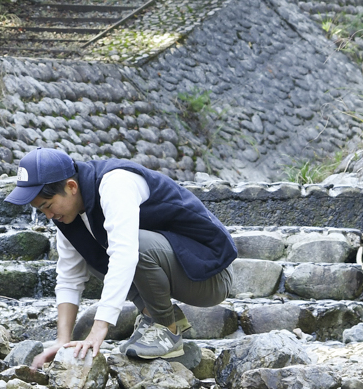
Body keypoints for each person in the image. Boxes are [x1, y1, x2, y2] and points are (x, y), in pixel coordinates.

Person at [13, 146, 238, 367]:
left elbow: (126, 254)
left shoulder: (115, 183)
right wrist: (62, 341)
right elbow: (69, 278)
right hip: (175, 268)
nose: (49, 215)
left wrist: (98, 329)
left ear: (71, 187)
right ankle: (155, 314)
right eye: (42, 211)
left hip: (209, 274)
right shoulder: (67, 217)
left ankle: (166, 329)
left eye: (48, 206)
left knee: (131, 246)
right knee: (92, 255)